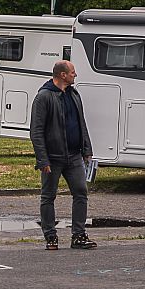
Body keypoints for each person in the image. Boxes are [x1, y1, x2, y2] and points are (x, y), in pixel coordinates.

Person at [29, 60, 96, 251]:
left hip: (74, 156)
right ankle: (50, 236)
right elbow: (36, 131)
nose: (75, 75)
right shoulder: (44, 97)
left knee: (81, 192)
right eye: (72, 72)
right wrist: (42, 159)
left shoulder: (74, 94)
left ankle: (78, 235)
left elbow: (81, 123)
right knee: (48, 196)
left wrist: (87, 149)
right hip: (53, 158)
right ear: (62, 75)